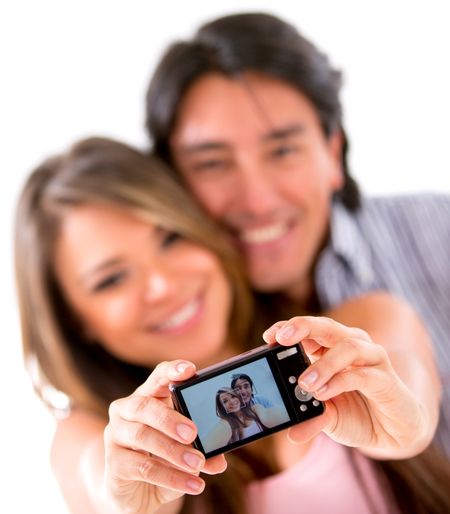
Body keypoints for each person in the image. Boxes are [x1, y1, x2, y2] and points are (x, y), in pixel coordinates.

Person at [14, 136, 450, 514]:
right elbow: (99, 482)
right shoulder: (83, 434)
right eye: (111, 279)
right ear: (74, 322)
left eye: (171, 237)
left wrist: (406, 423)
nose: (163, 285)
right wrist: (126, 485)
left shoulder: (354, 326)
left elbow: (408, 389)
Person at [145, 11, 450, 457]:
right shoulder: (177, 319)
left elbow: (406, 378)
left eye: (283, 150)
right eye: (212, 163)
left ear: (333, 152)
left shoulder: (440, 228)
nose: (258, 200)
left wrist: (408, 417)